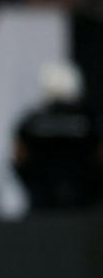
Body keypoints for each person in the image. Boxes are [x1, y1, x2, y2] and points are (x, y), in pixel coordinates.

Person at [13, 60, 103, 209]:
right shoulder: (90, 119)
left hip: (43, 199)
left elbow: (20, 156)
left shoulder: (31, 121)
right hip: (85, 201)